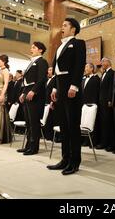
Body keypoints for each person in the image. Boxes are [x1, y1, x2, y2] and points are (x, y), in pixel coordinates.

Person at [47, 18, 86, 175]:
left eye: (65, 25)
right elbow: (56, 70)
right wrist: (55, 88)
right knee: (63, 125)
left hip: (71, 87)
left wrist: (74, 86)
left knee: (72, 126)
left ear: (73, 29)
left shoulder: (78, 43)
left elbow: (79, 65)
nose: (61, 27)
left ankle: (74, 162)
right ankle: (64, 159)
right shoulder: (60, 46)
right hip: (60, 86)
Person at [18, 42, 49, 155]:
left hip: (36, 96)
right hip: (28, 92)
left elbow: (41, 79)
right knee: (28, 122)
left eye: (34, 47)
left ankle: (34, 147)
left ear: (40, 50)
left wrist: (33, 91)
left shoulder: (42, 62)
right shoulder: (32, 62)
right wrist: (23, 93)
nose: (31, 49)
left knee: (34, 122)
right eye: (31, 47)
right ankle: (28, 145)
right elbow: (27, 81)